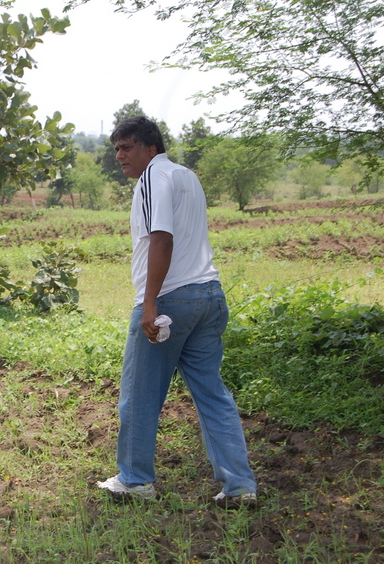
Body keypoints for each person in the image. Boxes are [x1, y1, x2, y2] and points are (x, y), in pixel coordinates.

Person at [96, 116, 257, 506]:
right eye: (116, 148)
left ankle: (135, 481)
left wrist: (150, 302)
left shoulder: (153, 178)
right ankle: (240, 486)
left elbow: (161, 238)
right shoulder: (187, 176)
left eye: (128, 147)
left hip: (170, 300)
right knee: (212, 394)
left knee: (138, 396)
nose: (120, 156)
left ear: (151, 149)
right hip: (209, 297)